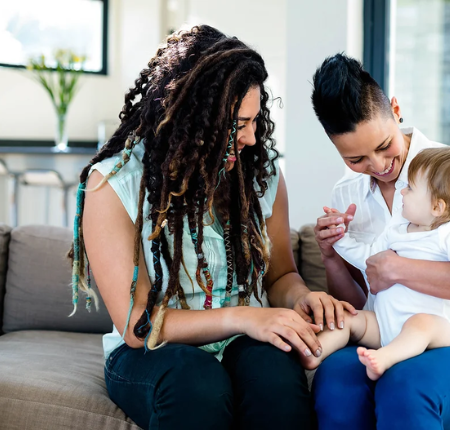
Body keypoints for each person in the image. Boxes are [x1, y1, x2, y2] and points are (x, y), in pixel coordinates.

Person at [69, 25, 355, 430]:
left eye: (256, 121)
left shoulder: (261, 174)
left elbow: (281, 276)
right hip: (152, 353)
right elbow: (139, 325)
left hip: (243, 339)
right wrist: (244, 317)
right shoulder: (114, 184)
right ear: (193, 119)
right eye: (239, 125)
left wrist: (302, 297)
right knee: (198, 384)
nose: (253, 139)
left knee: (275, 378)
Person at [311, 53, 450, 429]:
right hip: (386, 335)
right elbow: (361, 305)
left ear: (396, 111)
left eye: (384, 145)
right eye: (357, 158)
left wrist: (400, 269)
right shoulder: (347, 195)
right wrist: (330, 256)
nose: (378, 166)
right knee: (335, 384)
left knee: (406, 386)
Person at [300, 146, 450, 381]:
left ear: (437, 207)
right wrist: (339, 238)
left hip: (434, 331)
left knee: (422, 323)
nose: (401, 193)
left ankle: (385, 358)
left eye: (410, 188)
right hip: (385, 326)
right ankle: (312, 353)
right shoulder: (397, 229)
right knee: (351, 319)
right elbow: (368, 257)